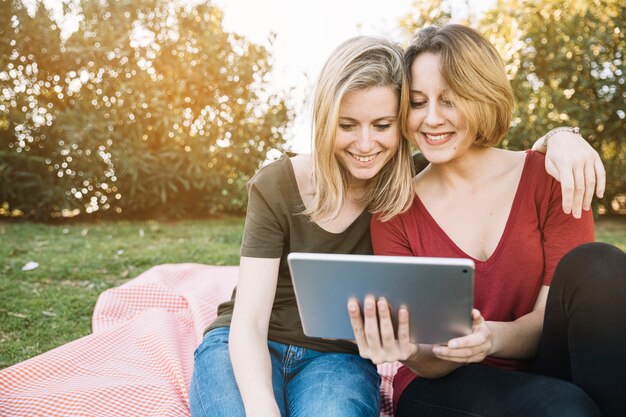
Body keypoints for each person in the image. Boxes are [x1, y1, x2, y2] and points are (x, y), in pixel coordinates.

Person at [189, 35, 607, 417]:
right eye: (347, 125)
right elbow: (248, 322)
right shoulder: (322, 190)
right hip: (269, 345)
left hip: (339, 357)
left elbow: (484, 150)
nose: (366, 145)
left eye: (383, 126)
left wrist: (561, 135)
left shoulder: (409, 182)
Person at [347, 24, 626, 417]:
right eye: (417, 102)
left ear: (482, 95)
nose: (430, 119)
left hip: (541, 364)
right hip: (443, 382)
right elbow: (425, 356)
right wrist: (409, 349)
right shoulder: (395, 209)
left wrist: (489, 336)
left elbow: (549, 321)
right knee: (566, 408)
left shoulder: (551, 177)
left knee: (600, 262)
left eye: (449, 100)